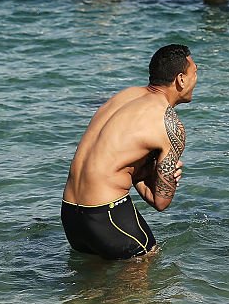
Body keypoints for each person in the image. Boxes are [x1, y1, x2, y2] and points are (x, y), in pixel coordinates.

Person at [61, 44, 196, 259]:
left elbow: (114, 158)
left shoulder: (125, 96)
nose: (195, 80)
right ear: (180, 79)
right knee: (145, 269)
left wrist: (138, 170)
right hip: (107, 215)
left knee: (88, 289)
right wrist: (150, 174)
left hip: (70, 214)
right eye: (195, 73)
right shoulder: (169, 124)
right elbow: (160, 202)